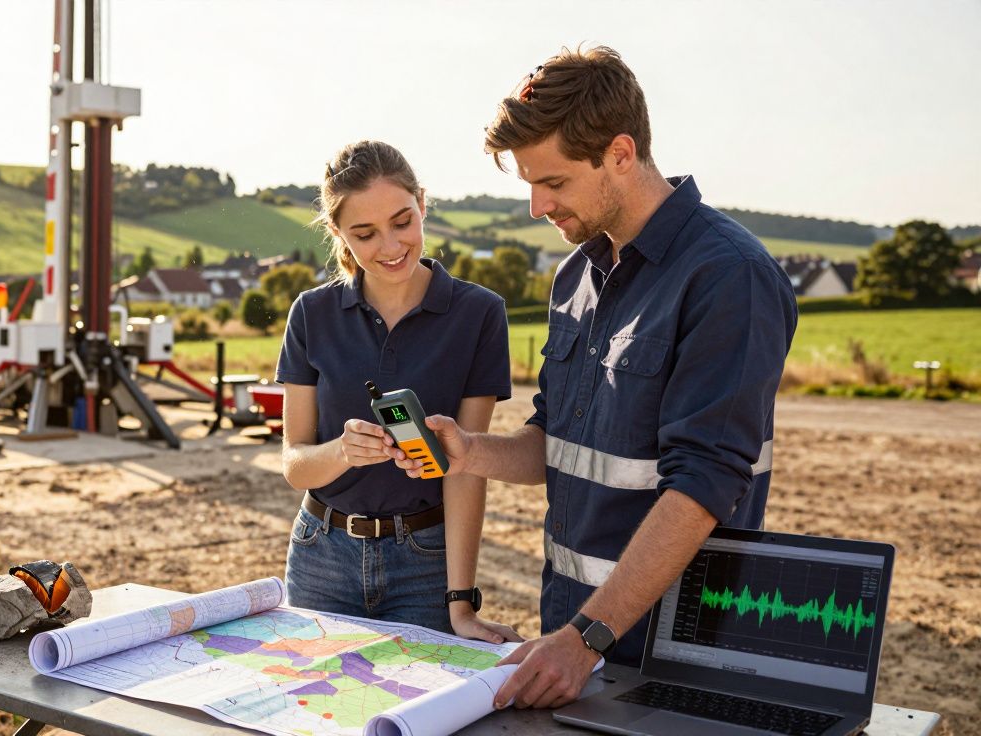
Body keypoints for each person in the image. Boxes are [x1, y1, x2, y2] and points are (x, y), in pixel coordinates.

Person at [394, 46, 798, 707]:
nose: (535, 206)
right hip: (576, 632)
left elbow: (703, 487)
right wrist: (471, 453)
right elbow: (555, 439)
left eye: (552, 182)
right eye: (528, 184)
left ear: (619, 153)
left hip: (679, 650)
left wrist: (587, 636)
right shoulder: (574, 276)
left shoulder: (730, 277)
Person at [275, 140, 522, 644]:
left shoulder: (478, 314)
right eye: (364, 234)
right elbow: (294, 463)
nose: (390, 247)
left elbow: (467, 469)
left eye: (402, 222)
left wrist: (461, 603)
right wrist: (343, 452)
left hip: (427, 563)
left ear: (423, 204)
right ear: (338, 233)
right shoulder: (310, 314)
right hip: (321, 556)